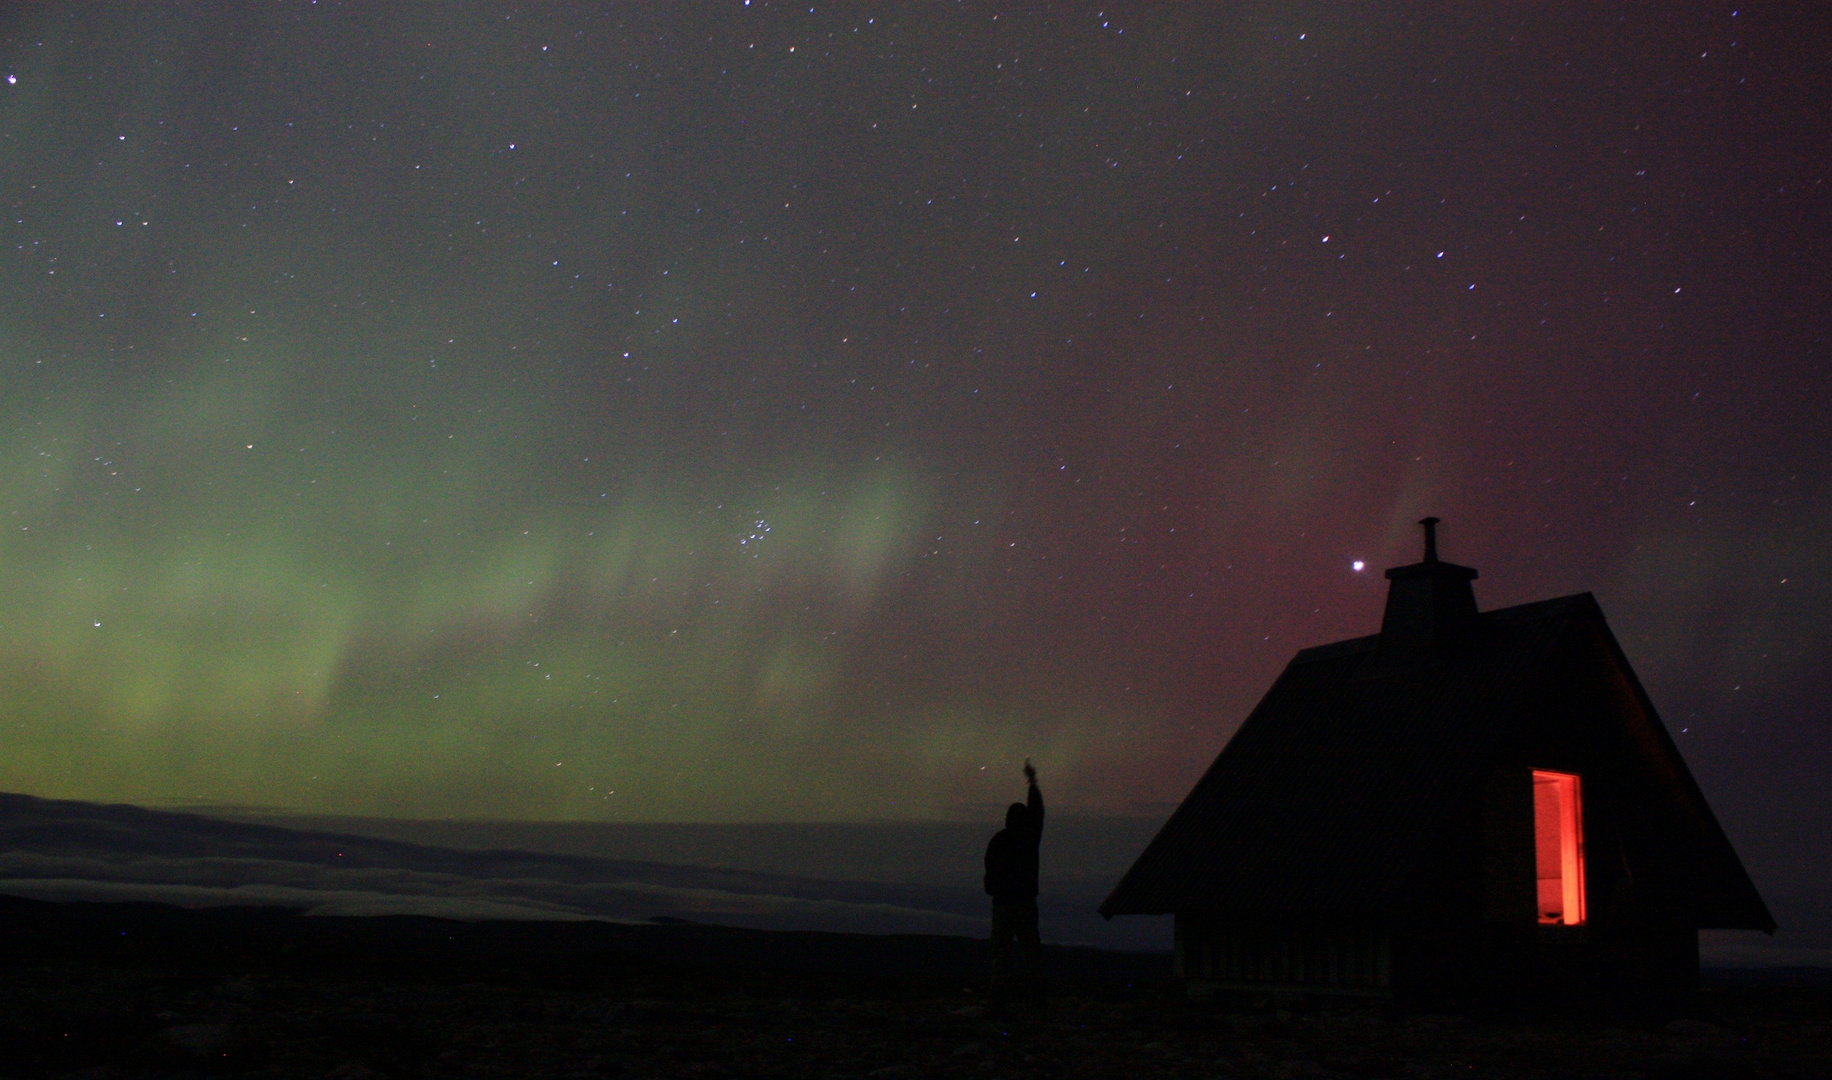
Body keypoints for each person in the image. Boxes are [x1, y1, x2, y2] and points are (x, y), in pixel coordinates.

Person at [983, 758, 1045, 1003]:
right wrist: (1032, 784)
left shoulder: (1000, 841)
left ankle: (1000, 995)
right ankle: (1033, 994)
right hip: (1021, 903)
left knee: (1003, 952)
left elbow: (989, 871)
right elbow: (1037, 813)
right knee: (1029, 951)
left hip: (1006, 904)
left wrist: (995, 890)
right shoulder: (1028, 840)